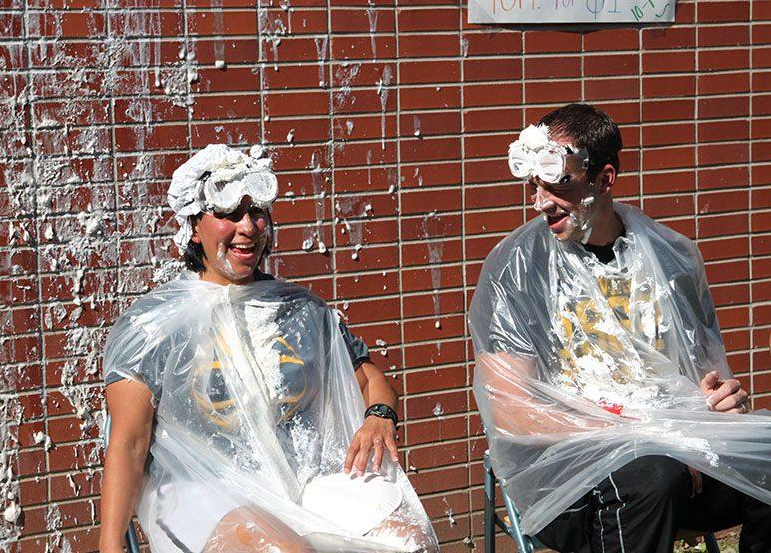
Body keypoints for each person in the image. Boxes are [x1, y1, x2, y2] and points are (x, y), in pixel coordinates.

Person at [100, 144, 438, 553]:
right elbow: (129, 444)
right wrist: (111, 545)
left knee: (408, 540)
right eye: (228, 214)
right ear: (194, 226)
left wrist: (380, 416)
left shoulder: (302, 311)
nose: (247, 226)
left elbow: (368, 379)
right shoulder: (153, 326)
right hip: (200, 491)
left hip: (301, 479)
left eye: (257, 212)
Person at [469, 104, 771, 553]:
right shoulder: (517, 269)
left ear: (604, 179)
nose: (540, 201)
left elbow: (704, 379)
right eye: (534, 184)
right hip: (567, 473)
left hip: (680, 453)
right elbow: (513, 413)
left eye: (559, 183)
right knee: (652, 476)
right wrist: (651, 438)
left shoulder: (672, 258)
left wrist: (719, 402)